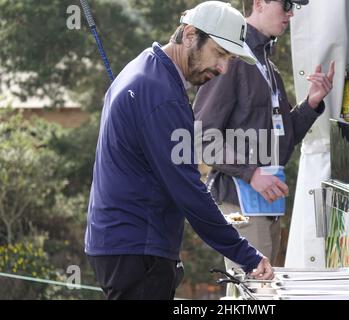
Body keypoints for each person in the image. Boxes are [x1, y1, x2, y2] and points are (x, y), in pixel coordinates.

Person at [84, 1, 274, 300]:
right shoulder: (160, 93)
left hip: (125, 246)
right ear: (189, 35)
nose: (223, 68)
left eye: (229, 58)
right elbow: (187, 188)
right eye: (220, 53)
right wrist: (246, 255)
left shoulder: (148, 68)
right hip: (137, 251)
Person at [193, 0, 335, 272]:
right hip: (241, 203)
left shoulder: (266, 65)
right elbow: (202, 137)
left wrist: (312, 103)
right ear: (260, 3)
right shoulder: (230, 60)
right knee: (255, 291)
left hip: (267, 203)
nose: (291, 13)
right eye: (286, 5)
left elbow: (285, 137)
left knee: (263, 290)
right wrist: (252, 173)